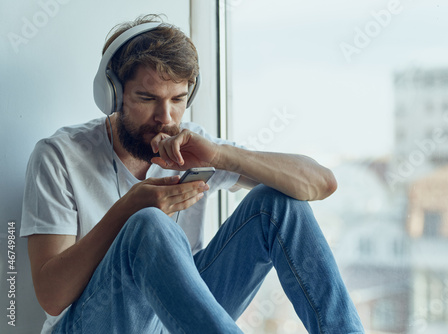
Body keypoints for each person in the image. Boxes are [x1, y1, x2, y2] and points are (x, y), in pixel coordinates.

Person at [21, 14, 365, 334]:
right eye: (147, 98)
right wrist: (129, 209)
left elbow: (322, 183)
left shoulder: (192, 147)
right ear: (112, 95)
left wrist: (220, 155)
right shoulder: (59, 156)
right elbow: (52, 296)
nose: (166, 117)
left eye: (178, 99)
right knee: (149, 223)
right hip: (95, 323)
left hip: (178, 322)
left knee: (278, 205)